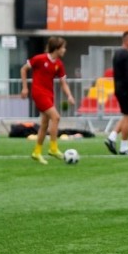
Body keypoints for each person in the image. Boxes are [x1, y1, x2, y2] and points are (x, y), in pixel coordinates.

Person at [20, 37, 75, 165]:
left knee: (44, 124)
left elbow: (63, 83)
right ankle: (53, 148)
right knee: (56, 117)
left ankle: (37, 152)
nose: (65, 50)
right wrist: (24, 88)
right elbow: (23, 69)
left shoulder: (59, 64)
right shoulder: (40, 59)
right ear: (57, 48)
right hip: (39, 93)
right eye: (63, 47)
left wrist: (70, 95)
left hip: (49, 94)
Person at [105, 31, 128, 156]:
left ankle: (112, 137)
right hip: (126, 90)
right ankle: (124, 147)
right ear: (127, 40)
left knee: (126, 115)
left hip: (119, 88)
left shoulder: (117, 54)